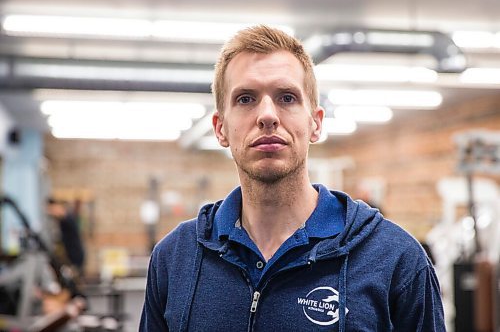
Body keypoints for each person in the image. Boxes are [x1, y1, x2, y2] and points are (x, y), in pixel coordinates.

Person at [140, 25, 445, 331]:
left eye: (286, 97)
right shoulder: (174, 258)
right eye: (245, 99)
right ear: (220, 128)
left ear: (315, 123)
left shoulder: (396, 259)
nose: (267, 115)